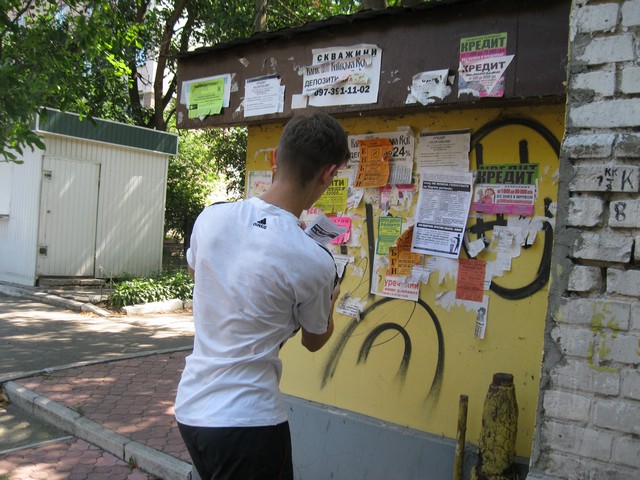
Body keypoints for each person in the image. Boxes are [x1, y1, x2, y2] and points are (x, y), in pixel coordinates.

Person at [175, 111, 349, 480]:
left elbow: (198, 272)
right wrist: (331, 299)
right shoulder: (315, 260)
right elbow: (314, 340)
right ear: (328, 173)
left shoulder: (211, 218)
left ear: (275, 158)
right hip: (249, 421)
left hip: (191, 409)